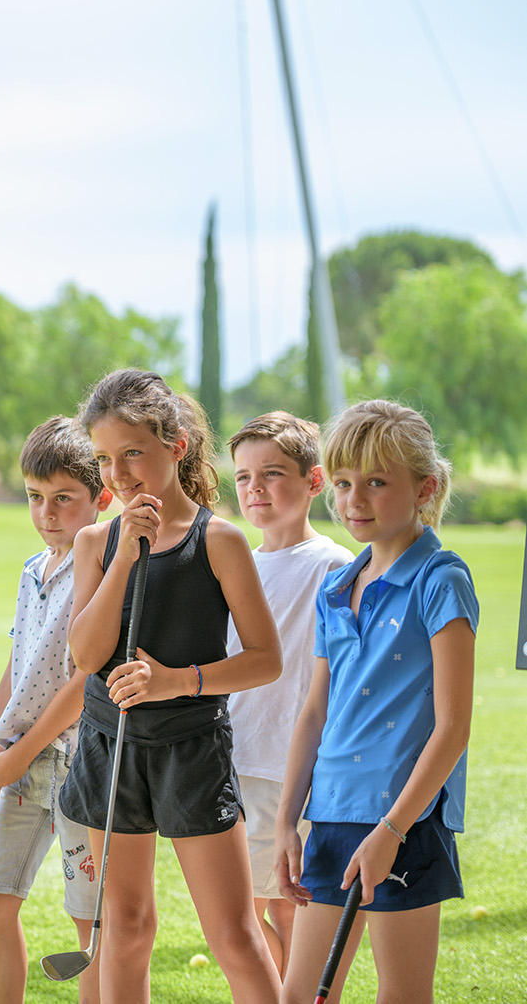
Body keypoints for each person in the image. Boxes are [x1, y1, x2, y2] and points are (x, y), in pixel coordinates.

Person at [55, 368, 283, 1004]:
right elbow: (85, 653)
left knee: (234, 935)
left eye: (133, 453)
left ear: (176, 447)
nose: (118, 474)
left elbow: (266, 659)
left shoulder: (221, 541)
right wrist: (125, 554)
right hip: (111, 748)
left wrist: (177, 681)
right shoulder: (96, 541)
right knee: (123, 930)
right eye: (104, 459)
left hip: (191, 749)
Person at [274, 400, 476, 1004]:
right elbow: (314, 713)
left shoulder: (442, 581)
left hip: (405, 820)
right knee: (301, 995)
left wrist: (392, 830)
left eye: (376, 483)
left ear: (425, 488)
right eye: (341, 484)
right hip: (332, 812)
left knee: (402, 995)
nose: (353, 500)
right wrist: (289, 820)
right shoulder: (336, 587)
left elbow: (453, 726)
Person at [0, 415, 111, 1004]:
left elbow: (85, 681)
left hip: (79, 766)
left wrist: (18, 755)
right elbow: (16, 669)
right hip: (20, 761)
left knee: (88, 921)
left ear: (102, 498)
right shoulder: (29, 570)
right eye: (35, 498)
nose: (47, 513)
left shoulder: (105, 567)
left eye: (64, 499)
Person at [224, 412, 355, 976]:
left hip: (297, 769)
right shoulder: (237, 565)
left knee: (292, 904)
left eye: (272, 473)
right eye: (244, 476)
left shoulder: (336, 567)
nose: (255, 488)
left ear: (314, 482)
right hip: (235, 761)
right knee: (242, 910)